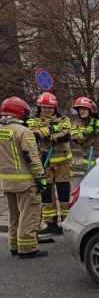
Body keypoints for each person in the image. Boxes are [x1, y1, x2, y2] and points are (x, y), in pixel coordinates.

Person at [1, 97, 48, 258]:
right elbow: (32, 158)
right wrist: (41, 178)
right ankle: (28, 249)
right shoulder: (24, 132)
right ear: (20, 112)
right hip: (26, 183)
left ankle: (14, 246)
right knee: (29, 215)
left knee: (14, 216)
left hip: (7, 182)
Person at [27, 91, 72, 234]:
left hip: (62, 164)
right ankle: (50, 223)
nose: (47, 110)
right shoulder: (33, 120)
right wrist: (52, 129)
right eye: (44, 107)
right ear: (40, 107)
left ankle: (67, 222)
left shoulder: (64, 119)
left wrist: (46, 134)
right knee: (47, 195)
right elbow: (33, 134)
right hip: (44, 164)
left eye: (50, 107)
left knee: (64, 194)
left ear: (55, 108)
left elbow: (65, 135)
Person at [70, 97, 99, 169]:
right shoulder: (77, 124)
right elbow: (76, 140)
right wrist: (86, 132)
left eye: (84, 109)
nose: (81, 111)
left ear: (91, 110)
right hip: (87, 160)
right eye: (80, 109)